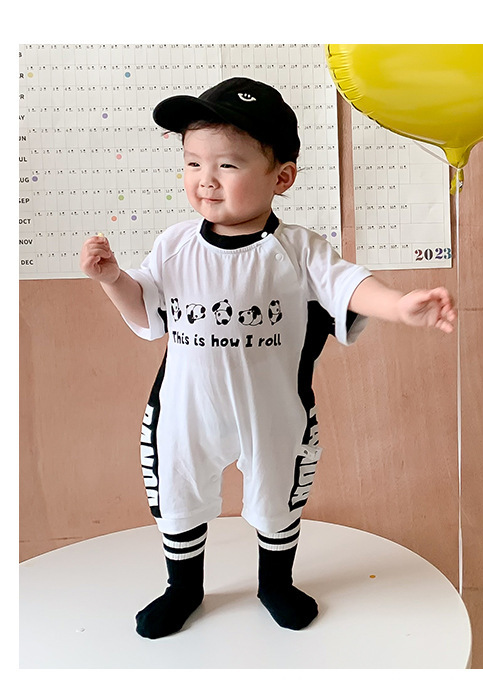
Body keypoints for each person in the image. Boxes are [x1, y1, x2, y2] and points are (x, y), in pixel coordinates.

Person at [79, 77, 456, 639]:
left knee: (278, 496)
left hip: (274, 413)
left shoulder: (297, 249)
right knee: (178, 494)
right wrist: (112, 280)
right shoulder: (175, 244)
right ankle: (183, 588)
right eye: (192, 163)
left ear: (281, 177)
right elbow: (147, 312)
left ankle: (275, 583)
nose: (205, 179)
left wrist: (400, 306)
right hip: (185, 411)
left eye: (227, 165)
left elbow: (349, 285)